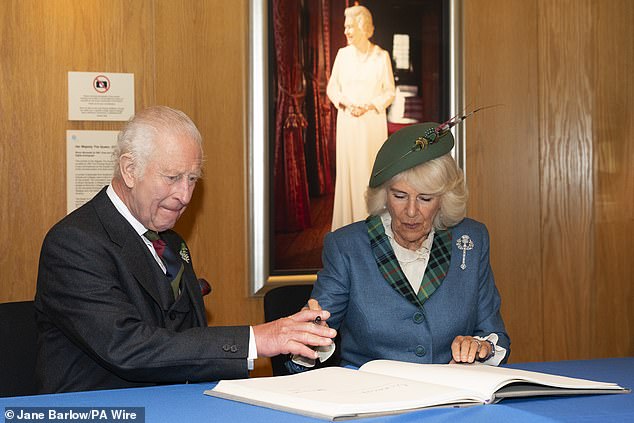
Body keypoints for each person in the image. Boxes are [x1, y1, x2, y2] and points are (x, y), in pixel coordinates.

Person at [34, 106, 336, 393]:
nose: (184, 195)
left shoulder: (171, 243)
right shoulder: (74, 243)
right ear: (129, 170)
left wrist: (296, 343)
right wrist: (257, 339)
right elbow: (126, 346)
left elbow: (187, 344)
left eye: (192, 179)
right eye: (172, 178)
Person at [307, 122, 510, 368]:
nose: (411, 211)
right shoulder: (346, 246)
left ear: (444, 199)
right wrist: (313, 334)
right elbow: (312, 335)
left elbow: (495, 335)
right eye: (399, 196)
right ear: (383, 195)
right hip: (372, 396)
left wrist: (480, 346)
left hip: (449, 395)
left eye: (425, 198)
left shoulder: (471, 240)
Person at [327, 4, 395, 231]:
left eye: (350, 26)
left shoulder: (381, 56)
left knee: (370, 172)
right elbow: (332, 89)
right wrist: (347, 103)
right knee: (350, 174)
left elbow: (389, 92)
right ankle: (347, 227)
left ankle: (374, 226)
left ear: (363, 26)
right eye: (345, 26)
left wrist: (369, 105)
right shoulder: (342, 55)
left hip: (372, 123)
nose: (346, 31)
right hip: (349, 123)